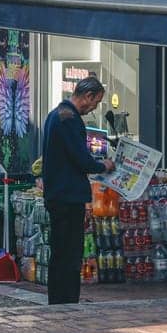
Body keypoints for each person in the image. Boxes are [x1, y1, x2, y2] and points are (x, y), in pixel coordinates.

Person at [41, 75, 115, 305]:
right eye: (95, 102)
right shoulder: (68, 119)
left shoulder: (57, 114)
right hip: (67, 196)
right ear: (87, 96)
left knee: (61, 251)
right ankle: (66, 299)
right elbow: (81, 159)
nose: (93, 108)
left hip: (58, 194)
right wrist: (103, 165)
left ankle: (59, 299)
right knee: (70, 252)